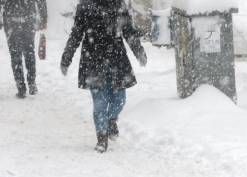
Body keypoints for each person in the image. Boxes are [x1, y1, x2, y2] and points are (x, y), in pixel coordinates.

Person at [60, 0, 147, 153]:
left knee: (120, 100)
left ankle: (111, 120)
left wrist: (139, 51)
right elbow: (76, 34)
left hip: (117, 59)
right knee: (100, 103)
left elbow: (128, 30)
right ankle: (101, 137)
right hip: (93, 61)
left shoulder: (118, 4)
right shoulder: (85, 6)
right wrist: (66, 57)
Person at [0, 0, 47, 98]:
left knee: (15, 55)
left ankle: (21, 86)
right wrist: (43, 17)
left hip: (11, 19)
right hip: (28, 18)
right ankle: (31, 83)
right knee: (29, 51)